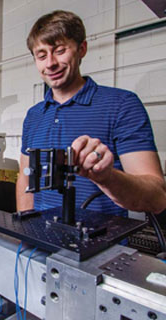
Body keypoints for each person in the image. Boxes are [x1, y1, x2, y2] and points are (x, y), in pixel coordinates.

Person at [16, 10, 166, 216]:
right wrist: (26, 233)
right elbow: (25, 178)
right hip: (39, 244)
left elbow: (157, 198)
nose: (50, 63)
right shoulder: (34, 115)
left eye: (59, 51)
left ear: (82, 49)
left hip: (101, 245)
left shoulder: (121, 105)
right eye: (41, 55)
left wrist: (107, 177)